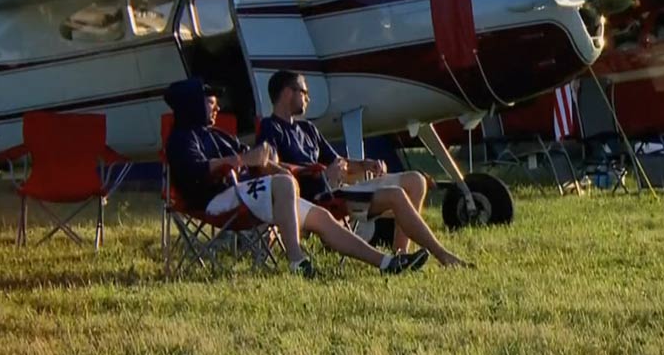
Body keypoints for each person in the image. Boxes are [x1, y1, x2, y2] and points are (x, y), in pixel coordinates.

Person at [163, 78, 426, 278]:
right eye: (211, 103)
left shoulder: (219, 136)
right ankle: (297, 260)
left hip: (248, 194)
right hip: (214, 200)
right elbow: (197, 171)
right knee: (284, 183)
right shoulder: (181, 139)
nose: (218, 107)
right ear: (193, 105)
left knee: (321, 216)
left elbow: (255, 159)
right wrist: (243, 161)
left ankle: (386, 262)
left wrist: (276, 167)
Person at [256, 70, 470, 268]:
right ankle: (443, 256)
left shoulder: (307, 129)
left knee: (415, 180)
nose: (308, 98)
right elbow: (269, 166)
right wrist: (317, 171)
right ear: (287, 93)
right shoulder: (270, 127)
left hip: (338, 188)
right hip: (320, 198)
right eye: (304, 92)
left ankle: (401, 253)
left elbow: (339, 162)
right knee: (395, 194)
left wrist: (365, 164)